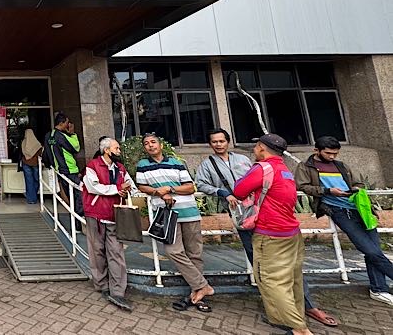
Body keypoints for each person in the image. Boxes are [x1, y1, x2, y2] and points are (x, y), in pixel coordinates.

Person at [197, 129, 335, 326]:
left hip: (266, 225)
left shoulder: (254, 164)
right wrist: (222, 192)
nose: (218, 144)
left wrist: (242, 191)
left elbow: (241, 189)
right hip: (256, 220)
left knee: (271, 274)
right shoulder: (281, 169)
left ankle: (298, 318)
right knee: (268, 266)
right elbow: (202, 184)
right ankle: (280, 310)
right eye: (214, 141)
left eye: (221, 140)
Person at [297, 135, 393, 307]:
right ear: (316, 151)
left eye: (335, 153)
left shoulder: (341, 165)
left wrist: (356, 190)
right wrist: (327, 191)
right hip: (338, 210)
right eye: (328, 153)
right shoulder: (306, 167)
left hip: (359, 208)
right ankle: (379, 288)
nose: (332, 157)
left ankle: (379, 288)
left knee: (374, 249)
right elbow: (303, 186)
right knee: (370, 250)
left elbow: (358, 183)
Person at [234, 134, 312, 335]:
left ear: (261, 147)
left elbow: (239, 190)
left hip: (271, 233)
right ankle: (289, 318)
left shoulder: (263, 168)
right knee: (292, 280)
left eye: (256, 147)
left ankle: (299, 329)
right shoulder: (285, 169)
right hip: (291, 232)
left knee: (271, 280)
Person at [135, 133, 213, 312]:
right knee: (173, 250)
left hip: (189, 212)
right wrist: (159, 192)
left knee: (195, 253)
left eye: (153, 142)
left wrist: (169, 188)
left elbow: (189, 187)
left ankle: (197, 295)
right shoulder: (143, 165)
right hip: (167, 214)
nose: (150, 146)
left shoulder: (176, 163)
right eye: (146, 144)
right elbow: (142, 187)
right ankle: (203, 285)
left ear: (160, 144)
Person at [82, 137, 136, 311]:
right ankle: (101, 284)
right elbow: (93, 187)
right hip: (96, 214)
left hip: (115, 215)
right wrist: (116, 189)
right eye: (117, 148)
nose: (119, 151)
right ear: (107, 150)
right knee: (97, 251)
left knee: (116, 252)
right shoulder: (92, 166)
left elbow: (130, 185)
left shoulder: (120, 169)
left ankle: (118, 290)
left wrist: (128, 189)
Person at [42, 112, 83, 223]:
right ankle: (79, 223)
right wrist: (73, 133)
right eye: (67, 122)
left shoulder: (48, 136)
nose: (68, 124)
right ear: (62, 123)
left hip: (59, 170)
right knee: (78, 196)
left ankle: (76, 221)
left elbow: (45, 154)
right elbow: (76, 148)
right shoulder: (62, 136)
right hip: (70, 170)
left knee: (69, 196)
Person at [19, 128, 43, 204]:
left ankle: (31, 198)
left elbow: (22, 152)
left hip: (26, 163)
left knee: (29, 181)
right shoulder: (37, 143)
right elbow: (40, 152)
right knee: (36, 180)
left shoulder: (23, 143)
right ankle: (33, 196)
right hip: (35, 163)